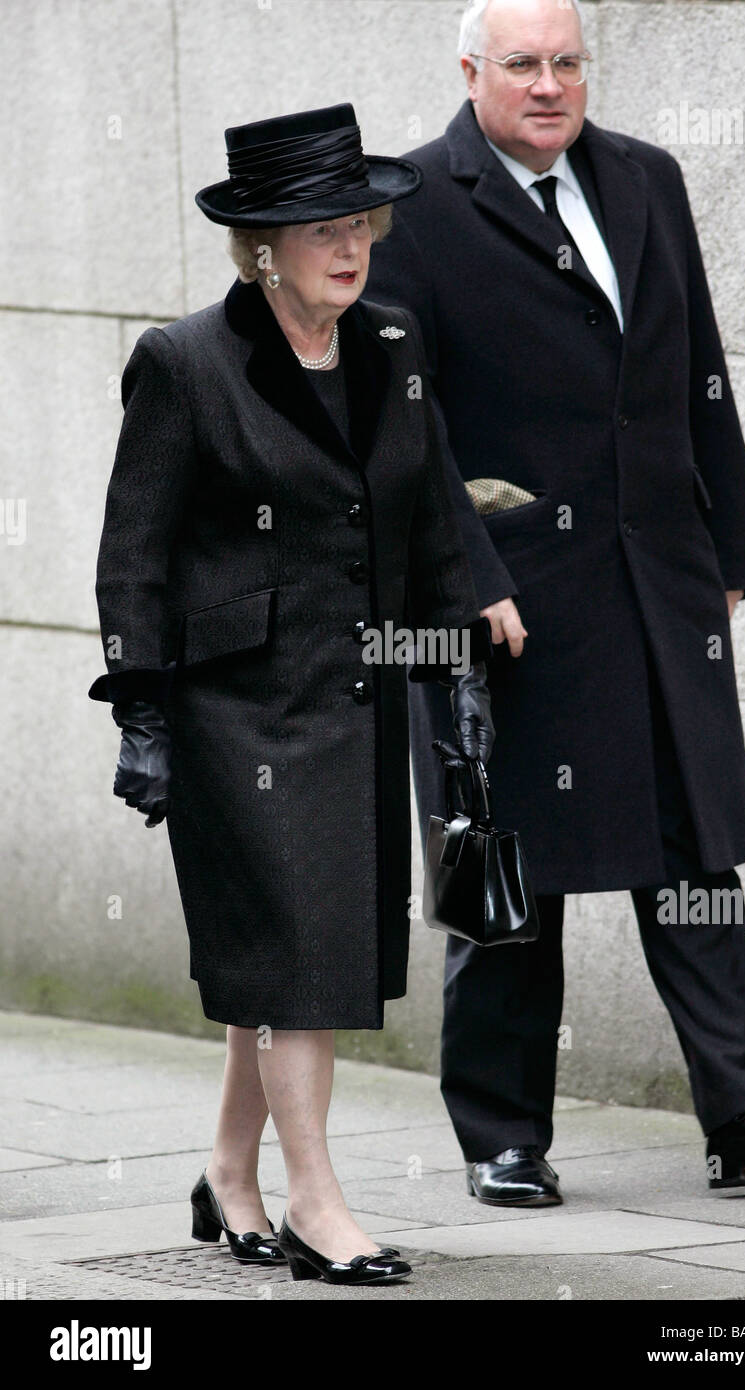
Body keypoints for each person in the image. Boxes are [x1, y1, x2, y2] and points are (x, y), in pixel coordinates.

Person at [366, 0, 745, 1205]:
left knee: (693, 850)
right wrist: (466, 578)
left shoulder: (644, 179)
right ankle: (503, 1135)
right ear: (471, 72)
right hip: (510, 599)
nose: (549, 84)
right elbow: (406, 426)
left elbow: (698, 368)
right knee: (508, 870)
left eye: (566, 62)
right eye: (522, 65)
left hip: (655, 580)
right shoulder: (413, 205)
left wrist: (732, 547)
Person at [87, 102, 494, 1285]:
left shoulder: (393, 348)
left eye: (359, 220)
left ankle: (229, 1171)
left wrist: (454, 674)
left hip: (357, 701)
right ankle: (318, 1202)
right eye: (321, 227)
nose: (350, 244)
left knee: (284, 958)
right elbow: (136, 555)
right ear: (261, 246)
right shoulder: (185, 363)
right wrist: (144, 714)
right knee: (298, 960)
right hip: (237, 714)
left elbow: (429, 528)